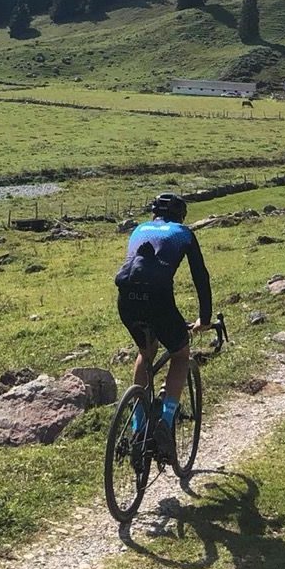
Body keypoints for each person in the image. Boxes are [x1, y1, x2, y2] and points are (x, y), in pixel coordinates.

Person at [114, 192, 212, 464]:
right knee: (180, 354)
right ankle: (165, 420)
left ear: (154, 213)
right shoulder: (183, 233)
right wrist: (204, 318)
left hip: (126, 300)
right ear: (181, 214)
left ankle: (137, 426)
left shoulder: (138, 229)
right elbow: (200, 276)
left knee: (146, 352)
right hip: (158, 299)